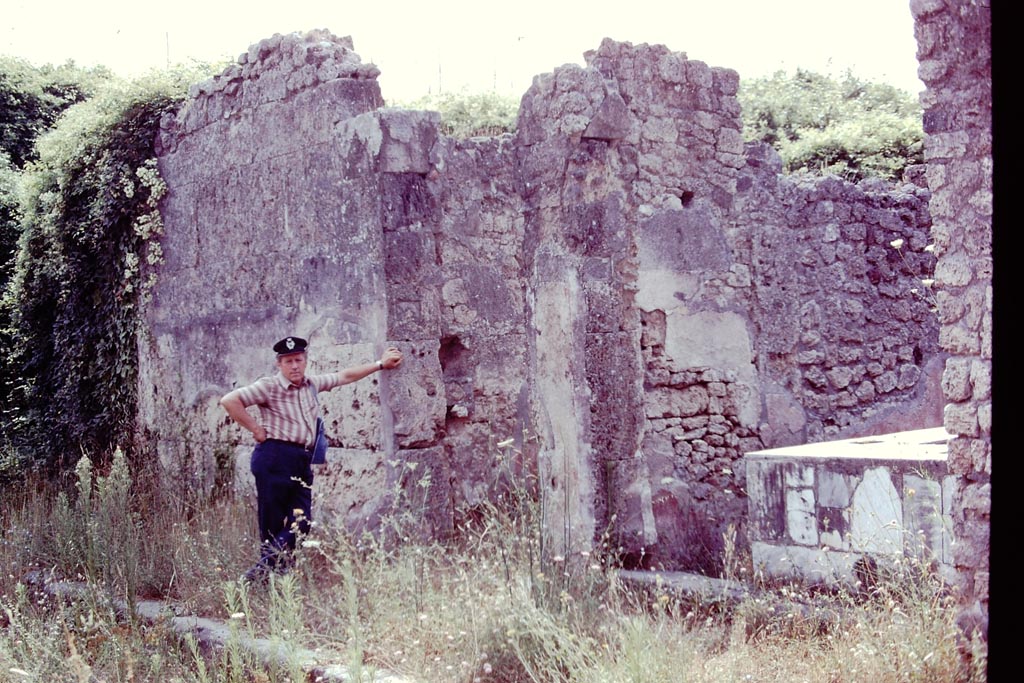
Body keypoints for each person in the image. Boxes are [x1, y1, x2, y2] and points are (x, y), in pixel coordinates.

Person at [220, 336, 402, 583]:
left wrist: (380, 364)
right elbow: (230, 401)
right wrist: (255, 429)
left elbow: (344, 376)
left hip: (301, 459)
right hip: (274, 457)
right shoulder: (269, 386)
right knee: (272, 524)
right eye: (288, 361)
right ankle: (273, 580)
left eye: (298, 360)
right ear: (279, 364)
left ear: (305, 361)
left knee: (302, 521)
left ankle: (259, 576)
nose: (294, 366)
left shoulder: (311, 385)